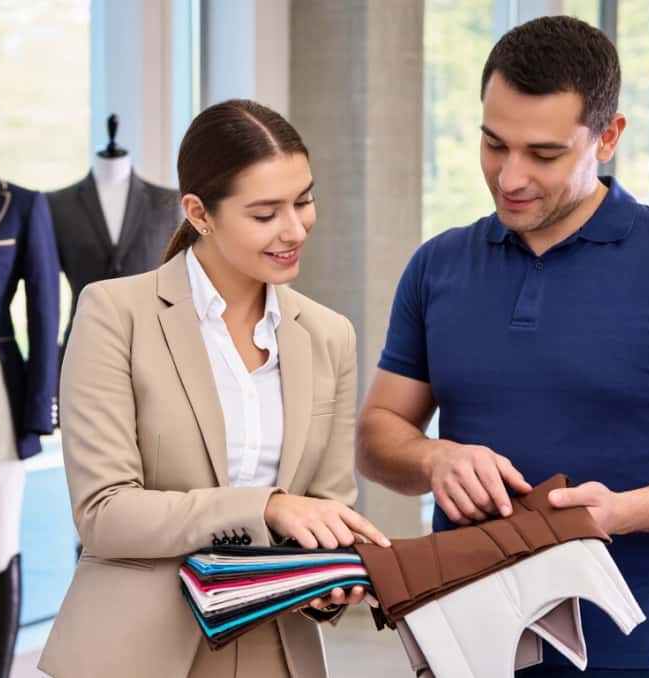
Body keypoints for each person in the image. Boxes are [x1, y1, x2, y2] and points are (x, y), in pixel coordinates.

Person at [356, 16, 649, 678]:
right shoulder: (436, 266)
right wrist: (433, 457)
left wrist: (623, 511)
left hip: (623, 657)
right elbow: (378, 437)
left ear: (608, 137)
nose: (509, 177)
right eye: (494, 144)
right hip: (459, 650)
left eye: (544, 154)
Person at [39, 99, 389, 678]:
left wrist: (330, 580)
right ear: (199, 213)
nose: (294, 229)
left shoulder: (330, 336)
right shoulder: (114, 314)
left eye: (303, 201)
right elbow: (105, 513)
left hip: (277, 651)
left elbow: (326, 509)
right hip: (136, 653)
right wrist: (267, 508)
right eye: (265, 213)